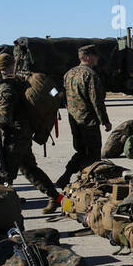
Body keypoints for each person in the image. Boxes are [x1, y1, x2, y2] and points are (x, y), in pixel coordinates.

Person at [0, 61, 60, 205]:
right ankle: (58, 198)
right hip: (21, 135)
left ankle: (5, 206)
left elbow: (4, 117)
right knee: (30, 170)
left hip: (15, 137)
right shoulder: (6, 87)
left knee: (3, 174)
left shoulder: (3, 91)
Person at [56, 44, 112, 193]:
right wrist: (105, 121)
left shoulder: (69, 74)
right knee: (93, 156)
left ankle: (66, 176)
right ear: (88, 57)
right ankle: (91, 186)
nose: (97, 58)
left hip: (75, 121)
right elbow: (96, 101)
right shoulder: (90, 75)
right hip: (89, 122)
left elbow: (64, 97)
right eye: (95, 56)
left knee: (81, 151)